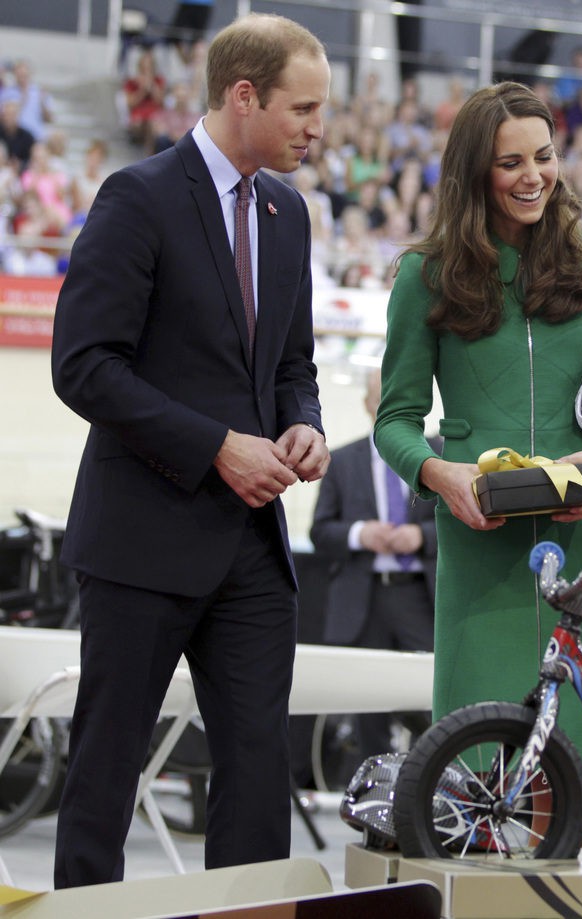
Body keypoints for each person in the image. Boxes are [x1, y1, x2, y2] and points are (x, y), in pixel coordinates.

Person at [49, 13, 332, 887]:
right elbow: (83, 365)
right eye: (303, 108)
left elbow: (292, 364)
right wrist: (216, 447)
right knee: (107, 771)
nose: (318, 128)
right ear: (243, 96)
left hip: (252, 550)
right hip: (142, 539)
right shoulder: (137, 197)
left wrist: (304, 421)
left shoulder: (288, 214)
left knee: (256, 775)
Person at [373, 81, 582, 785]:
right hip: (481, 541)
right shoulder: (425, 274)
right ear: (475, 172)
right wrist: (441, 475)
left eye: (545, 155)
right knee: (483, 762)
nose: (534, 176)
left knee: (570, 768)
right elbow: (396, 420)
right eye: (510, 163)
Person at [309, 369, 438, 761]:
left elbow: (465, 524)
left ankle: (428, 793)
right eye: (382, 398)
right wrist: (360, 534)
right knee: (369, 715)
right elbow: (321, 531)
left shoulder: (440, 457)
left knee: (432, 704)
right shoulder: (342, 461)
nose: (390, 408)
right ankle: (371, 810)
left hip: (422, 597)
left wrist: (422, 538)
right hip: (365, 600)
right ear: (367, 404)